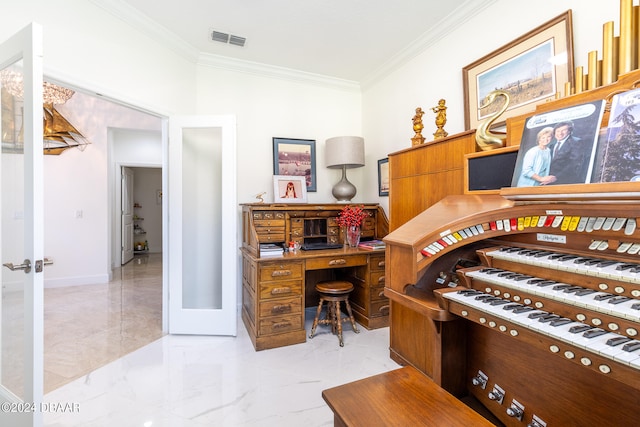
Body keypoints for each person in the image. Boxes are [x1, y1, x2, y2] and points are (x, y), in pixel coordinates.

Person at [548, 120, 590, 184]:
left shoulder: (576, 142)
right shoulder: (552, 146)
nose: (560, 133)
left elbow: (575, 164)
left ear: (569, 131)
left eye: (564, 130)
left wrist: (556, 177)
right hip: (549, 181)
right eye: (558, 131)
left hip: (565, 182)